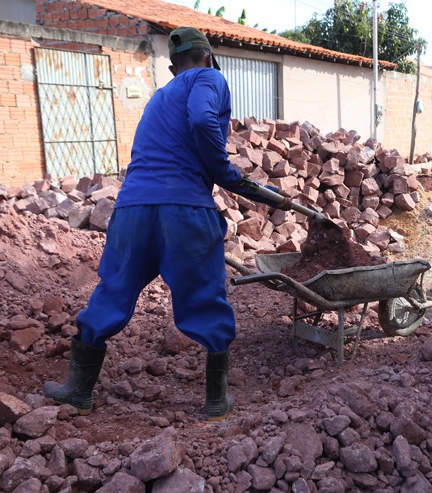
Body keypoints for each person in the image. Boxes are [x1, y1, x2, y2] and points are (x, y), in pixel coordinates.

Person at [42, 27, 292, 421]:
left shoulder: (159, 96)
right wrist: (223, 171)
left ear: (174, 67)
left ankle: (78, 390)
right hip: (184, 213)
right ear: (209, 56)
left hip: (132, 212)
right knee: (204, 298)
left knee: (113, 292)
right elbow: (201, 120)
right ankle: (215, 400)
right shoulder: (209, 77)